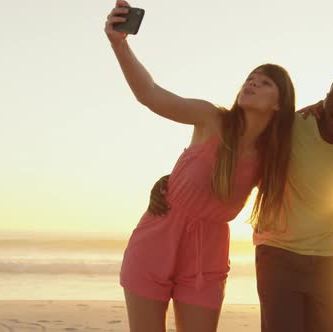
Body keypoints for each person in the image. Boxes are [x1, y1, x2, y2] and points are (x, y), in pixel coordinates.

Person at [105, 1, 296, 331]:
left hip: (206, 257)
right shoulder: (211, 119)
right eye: (250, 78)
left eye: (264, 82)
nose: (251, 83)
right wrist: (119, 44)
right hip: (155, 240)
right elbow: (150, 94)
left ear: (280, 104)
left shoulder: (273, 157)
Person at [150, 66, 333, 331]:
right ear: (326, 94)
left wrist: (322, 213)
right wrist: (171, 180)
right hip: (277, 254)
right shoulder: (290, 126)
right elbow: (233, 154)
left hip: (329, 260)